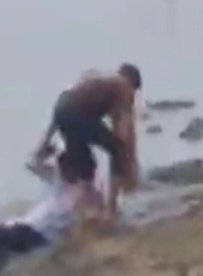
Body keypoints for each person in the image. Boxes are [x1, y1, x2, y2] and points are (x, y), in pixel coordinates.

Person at [0, 151, 103, 276]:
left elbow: (92, 220)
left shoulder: (90, 196)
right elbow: (32, 164)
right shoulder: (59, 182)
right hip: (19, 225)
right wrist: (44, 151)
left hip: (39, 236)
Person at [32, 64, 142, 217]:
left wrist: (43, 144)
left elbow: (63, 105)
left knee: (83, 168)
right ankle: (111, 209)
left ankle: (75, 206)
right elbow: (123, 134)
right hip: (77, 114)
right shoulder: (123, 87)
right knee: (117, 150)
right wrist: (130, 165)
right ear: (133, 85)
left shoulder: (97, 80)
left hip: (62, 111)